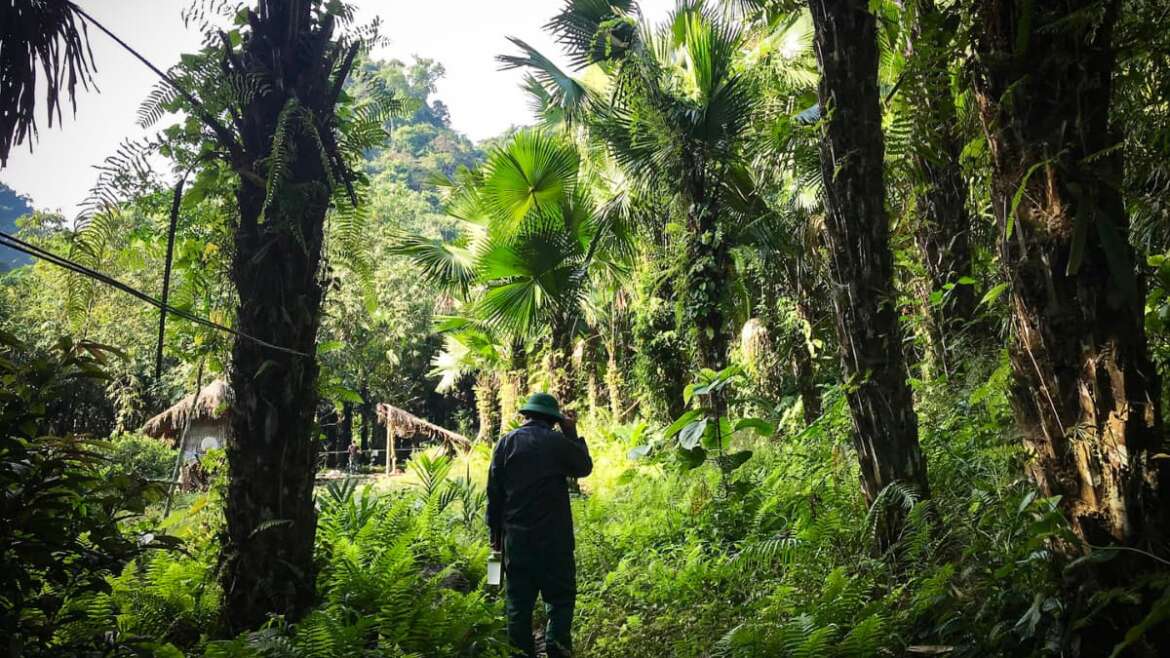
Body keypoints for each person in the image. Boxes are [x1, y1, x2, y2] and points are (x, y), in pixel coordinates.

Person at [487, 392, 592, 658]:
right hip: (555, 542)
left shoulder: (505, 444)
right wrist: (572, 431)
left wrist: (495, 535)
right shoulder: (556, 442)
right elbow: (584, 466)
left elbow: (494, 494)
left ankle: (520, 653)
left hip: (517, 542)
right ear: (553, 420)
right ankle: (557, 651)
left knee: (518, 607)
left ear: (527, 415)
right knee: (559, 602)